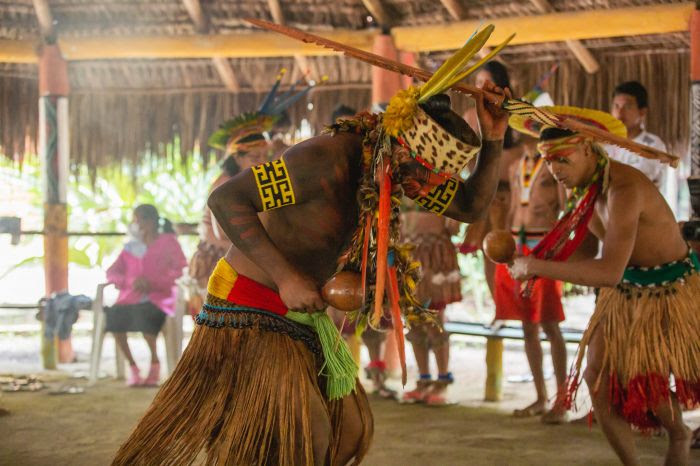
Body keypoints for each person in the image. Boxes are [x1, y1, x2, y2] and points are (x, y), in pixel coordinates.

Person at [112, 39, 511, 462]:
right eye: (416, 174)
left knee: (348, 434)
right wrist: (285, 276)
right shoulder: (323, 161)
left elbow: (468, 206)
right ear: (398, 143)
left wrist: (495, 137)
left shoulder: (404, 168)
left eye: (426, 180)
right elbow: (227, 200)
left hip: (303, 314)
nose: (420, 188)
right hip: (251, 304)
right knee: (308, 435)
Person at [508, 106, 698, 465]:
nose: (554, 170)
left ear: (589, 150)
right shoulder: (585, 192)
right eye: (549, 162)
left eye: (562, 159)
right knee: (597, 383)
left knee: (649, 385)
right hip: (624, 292)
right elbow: (587, 259)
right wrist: (534, 259)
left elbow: (608, 270)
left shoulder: (625, 189)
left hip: (667, 288)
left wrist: (536, 265)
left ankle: (678, 435)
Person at [495, 132, 569, 422]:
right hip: (517, 244)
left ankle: (562, 400)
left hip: (544, 245)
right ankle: (540, 397)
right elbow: (513, 207)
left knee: (550, 323)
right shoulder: (516, 166)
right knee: (527, 326)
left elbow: (565, 207)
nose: (524, 129)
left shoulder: (554, 163)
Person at [105, 204, 187, 387]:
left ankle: (155, 363)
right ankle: (133, 367)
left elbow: (180, 268)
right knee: (114, 317)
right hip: (131, 298)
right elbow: (112, 272)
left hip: (159, 298)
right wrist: (129, 282)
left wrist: (154, 282)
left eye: (138, 220)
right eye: (134, 221)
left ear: (150, 221)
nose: (136, 224)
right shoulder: (131, 247)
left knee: (146, 316)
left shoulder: (168, 242)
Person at [462, 61, 523, 297]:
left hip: (512, 197)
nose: (480, 87)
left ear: (500, 86)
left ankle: (516, 303)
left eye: (486, 83)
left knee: (512, 252)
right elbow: (467, 160)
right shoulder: (470, 116)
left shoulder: (515, 116)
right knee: (489, 252)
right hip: (486, 194)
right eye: (477, 83)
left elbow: (523, 153)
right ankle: (498, 305)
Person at [400, 209, 461, 405]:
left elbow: (454, 227)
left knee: (434, 319)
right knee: (413, 320)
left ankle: (442, 381)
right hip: (408, 253)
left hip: (435, 256)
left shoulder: (443, 182)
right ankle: (423, 379)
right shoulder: (405, 182)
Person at [607, 81, 667, 191]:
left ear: (642, 112)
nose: (619, 113)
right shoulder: (605, 145)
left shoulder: (652, 145)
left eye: (627, 107)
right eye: (616, 106)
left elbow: (636, 181)